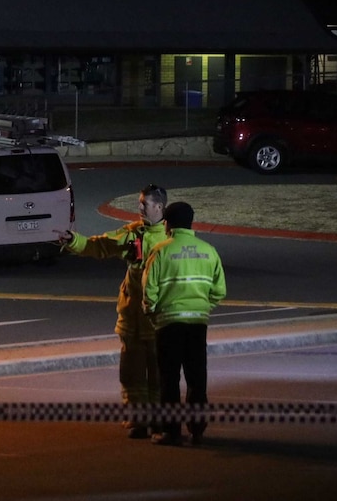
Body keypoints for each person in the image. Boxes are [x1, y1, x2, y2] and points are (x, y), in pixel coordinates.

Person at [59, 183, 168, 438]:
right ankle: (137, 419)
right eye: (140, 202)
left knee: (160, 375)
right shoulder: (133, 234)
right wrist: (74, 241)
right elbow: (102, 245)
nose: (139, 207)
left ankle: (160, 420)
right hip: (132, 318)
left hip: (159, 320)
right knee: (131, 373)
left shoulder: (171, 239)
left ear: (160, 207)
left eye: (145, 203)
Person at [142, 201, 226, 446]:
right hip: (198, 325)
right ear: (191, 223)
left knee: (169, 380)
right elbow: (219, 290)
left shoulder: (161, 251)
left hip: (168, 325)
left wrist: (153, 315)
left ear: (167, 224)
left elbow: (149, 292)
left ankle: (171, 431)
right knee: (197, 379)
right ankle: (197, 431)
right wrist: (202, 308)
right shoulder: (209, 250)